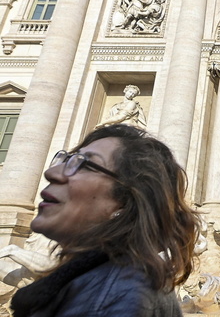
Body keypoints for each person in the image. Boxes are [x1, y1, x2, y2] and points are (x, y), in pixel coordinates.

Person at [10, 124, 199, 316]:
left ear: (125, 204)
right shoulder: (109, 282)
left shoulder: (115, 292)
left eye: (83, 165)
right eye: (66, 160)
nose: (51, 173)